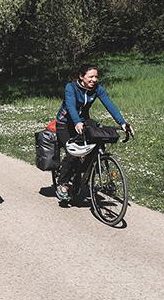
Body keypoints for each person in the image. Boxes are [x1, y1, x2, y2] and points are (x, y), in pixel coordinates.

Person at [54, 64, 132, 202]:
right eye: (91, 76)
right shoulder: (70, 88)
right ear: (81, 77)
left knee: (97, 138)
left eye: (96, 76)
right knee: (73, 152)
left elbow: (110, 105)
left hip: (83, 121)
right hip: (65, 123)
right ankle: (63, 184)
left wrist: (123, 123)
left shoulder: (97, 89)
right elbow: (71, 106)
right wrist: (77, 121)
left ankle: (81, 176)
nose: (94, 79)